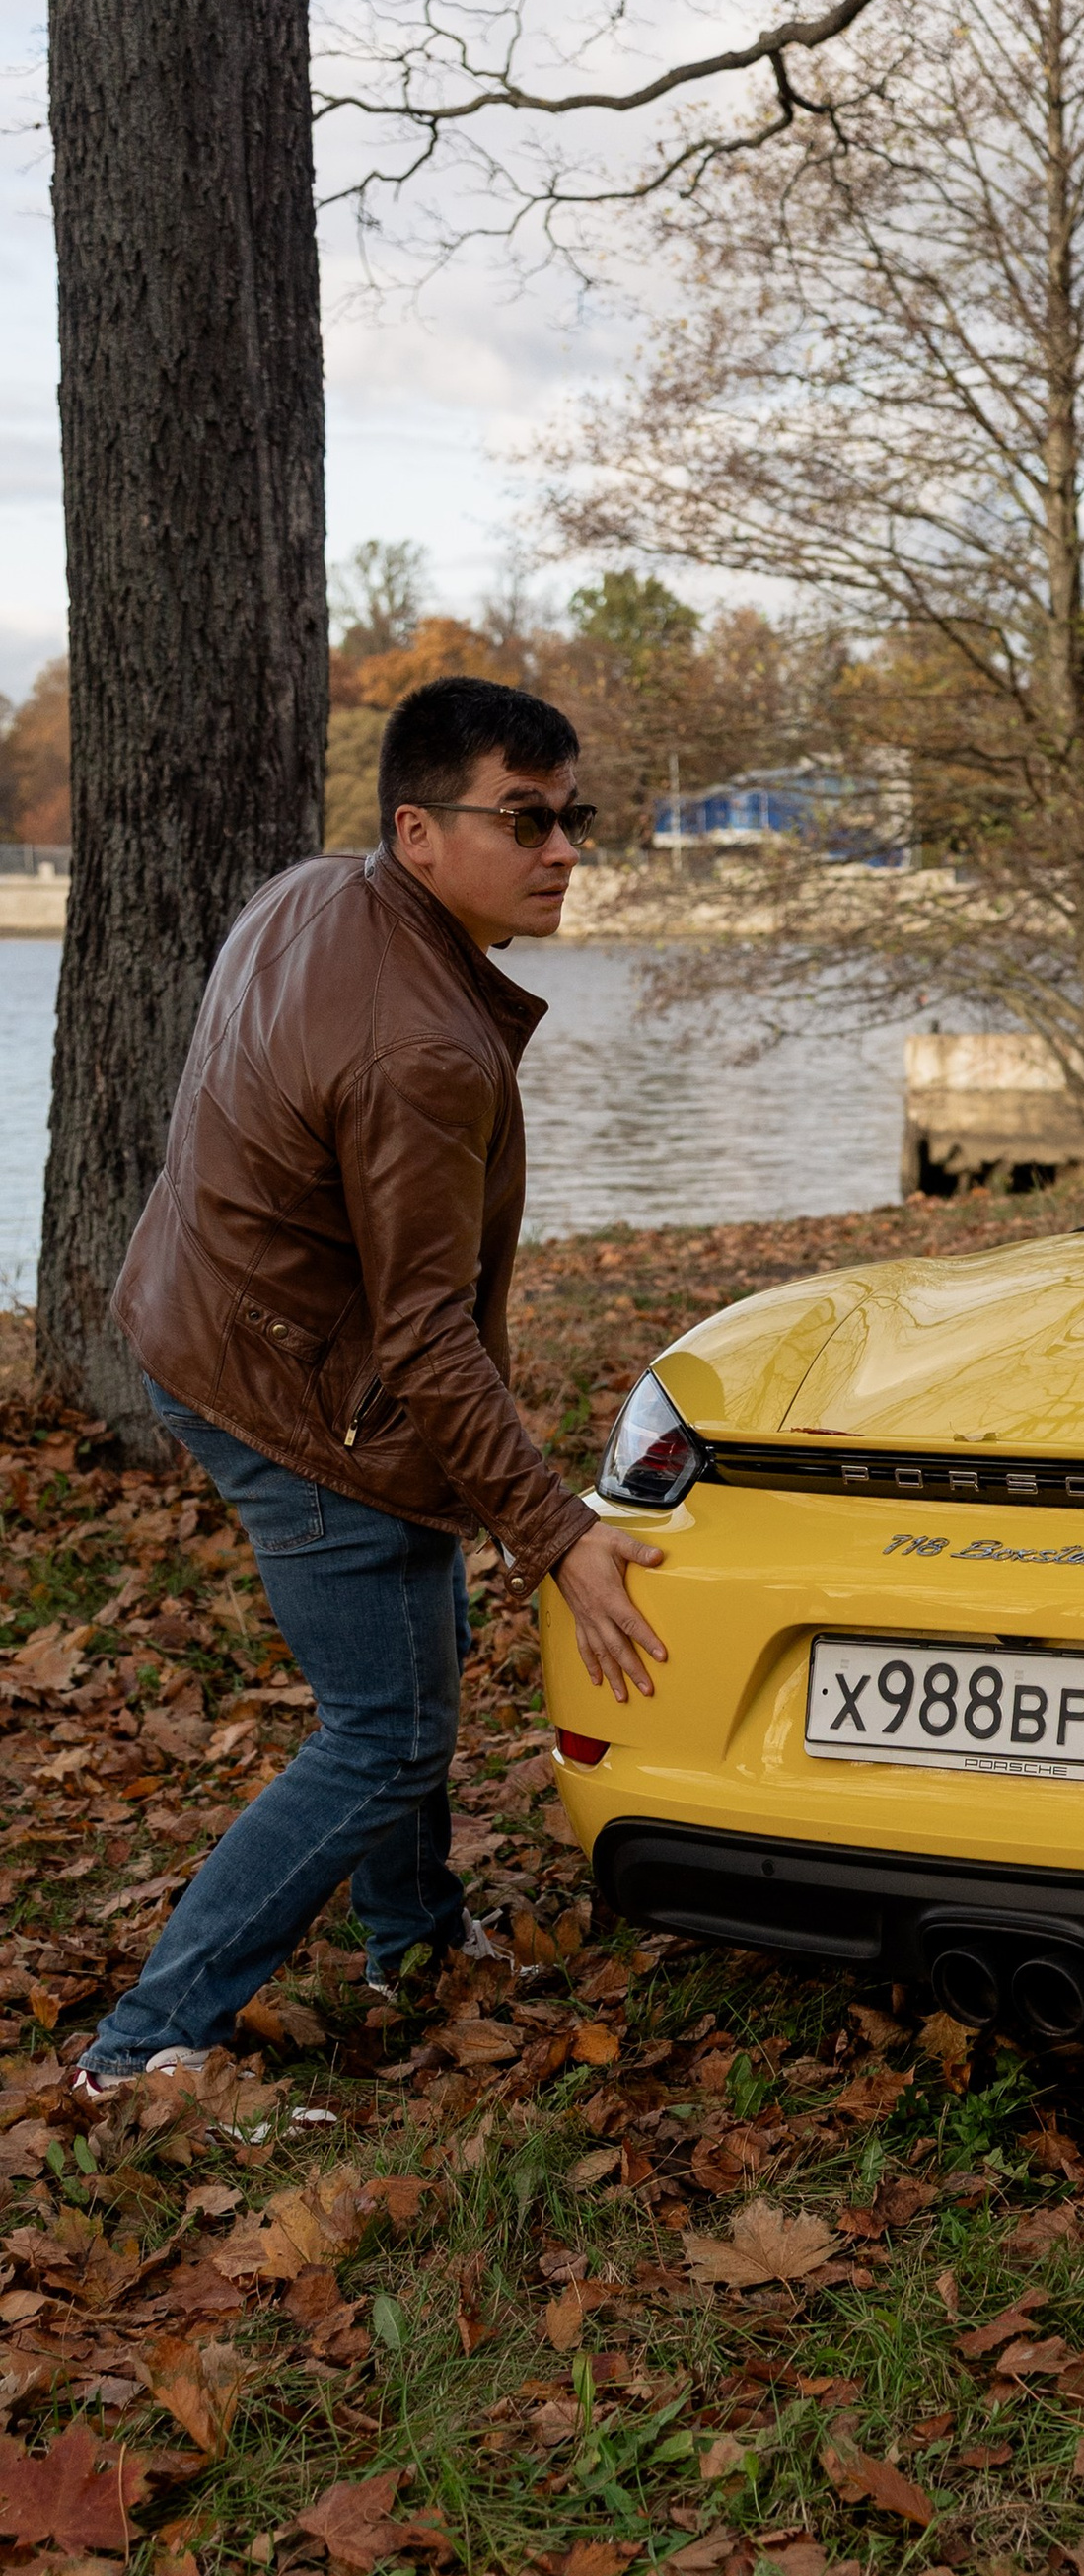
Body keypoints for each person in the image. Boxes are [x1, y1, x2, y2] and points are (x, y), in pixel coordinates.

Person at [76, 675, 668, 2097]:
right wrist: (560, 1535)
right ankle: (143, 2046)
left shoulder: (312, 892)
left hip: (208, 1320)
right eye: (522, 820)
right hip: (291, 1398)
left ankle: (417, 1938)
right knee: (389, 1731)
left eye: (570, 817)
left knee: (416, 1644)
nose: (563, 851)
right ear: (417, 829)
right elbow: (425, 1340)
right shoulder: (423, 1050)